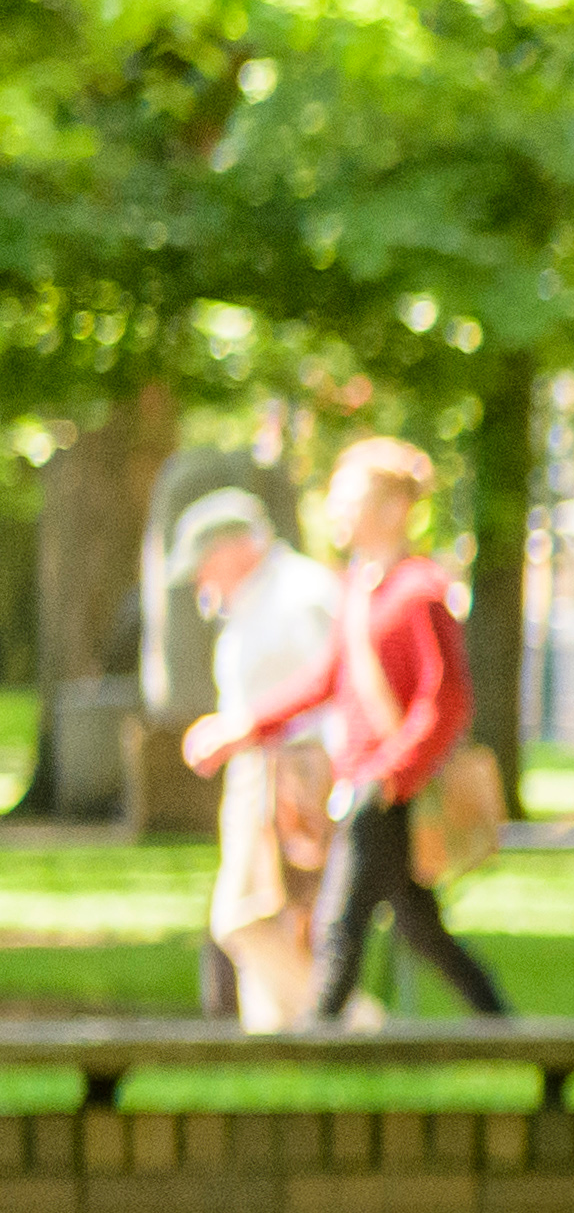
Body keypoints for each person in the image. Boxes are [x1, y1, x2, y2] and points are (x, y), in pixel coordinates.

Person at [303, 436, 508, 1023]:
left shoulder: (419, 590)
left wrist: (393, 776)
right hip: (368, 780)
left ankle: (306, 1048)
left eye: (350, 499)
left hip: (387, 787)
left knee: (340, 921)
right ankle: (505, 1030)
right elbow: (326, 678)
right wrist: (245, 723)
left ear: (394, 508)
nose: (336, 512)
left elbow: (446, 699)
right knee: (419, 926)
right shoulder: (358, 588)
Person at [166, 482, 342, 1031]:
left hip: (297, 770)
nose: (200, 580)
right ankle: (273, 1045)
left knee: (247, 918)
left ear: (232, 548)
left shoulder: (300, 592)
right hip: (257, 774)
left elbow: (332, 690)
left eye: (203, 565)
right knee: (264, 917)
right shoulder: (251, 599)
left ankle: (341, 1020)